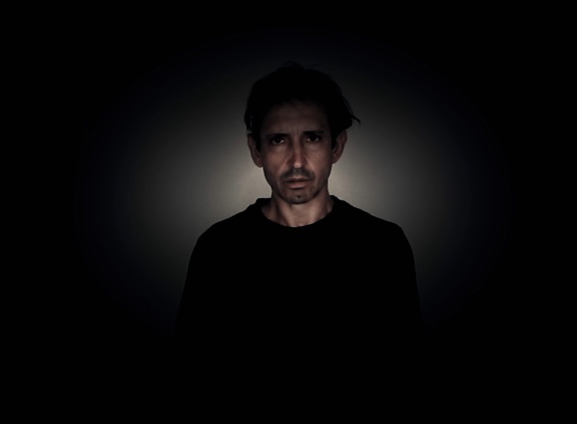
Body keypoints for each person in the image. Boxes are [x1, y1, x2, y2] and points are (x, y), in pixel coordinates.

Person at [174, 61, 424, 376]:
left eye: (312, 138)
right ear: (256, 150)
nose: (296, 161)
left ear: (336, 146)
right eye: (278, 140)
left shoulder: (382, 244)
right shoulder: (219, 248)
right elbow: (190, 366)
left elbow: (408, 364)